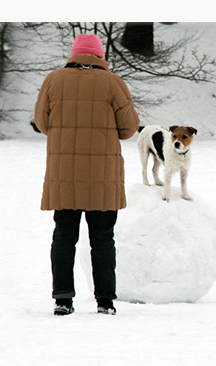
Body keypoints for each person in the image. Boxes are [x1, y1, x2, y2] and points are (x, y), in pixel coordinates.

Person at [31, 34, 141, 315]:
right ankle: (105, 301)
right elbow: (129, 129)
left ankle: (63, 299)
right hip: (103, 176)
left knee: (64, 236)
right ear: (100, 57)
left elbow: (43, 123)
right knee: (103, 238)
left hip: (63, 173)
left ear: (74, 55)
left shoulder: (54, 80)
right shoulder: (113, 82)